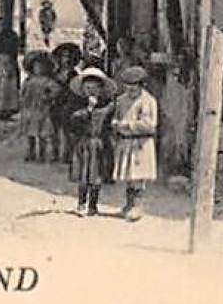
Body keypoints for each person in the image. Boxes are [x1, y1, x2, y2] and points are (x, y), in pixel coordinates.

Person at [111, 66, 159, 221]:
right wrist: (116, 125)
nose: (130, 90)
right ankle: (129, 204)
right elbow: (115, 117)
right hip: (125, 142)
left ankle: (138, 206)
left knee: (139, 177)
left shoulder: (148, 101)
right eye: (127, 86)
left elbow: (150, 124)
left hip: (141, 142)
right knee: (129, 176)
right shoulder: (121, 100)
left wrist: (128, 125)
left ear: (142, 85)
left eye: (134, 86)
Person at [67, 66, 116, 217]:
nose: (91, 92)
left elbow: (110, 123)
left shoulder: (107, 106)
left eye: (95, 88)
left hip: (99, 143)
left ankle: (93, 205)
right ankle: (81, 203)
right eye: (87, 88)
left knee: (96, 176)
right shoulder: (78, 106)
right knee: (83, 175)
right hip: (83, 143)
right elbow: (72, 122)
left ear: (101, 90)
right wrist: (87, 110)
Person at [17, 51, 63, 162]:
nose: (38, 69)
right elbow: (23, 92)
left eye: (41, 67)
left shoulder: (47, 81)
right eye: (36, 66)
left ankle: (42, 154)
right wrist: (22, 101)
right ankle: (31, 152)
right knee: (30, 133)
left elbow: (57, 90)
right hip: (30, 109)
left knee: (42, 133)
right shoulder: (29, 81)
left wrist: (48, 97)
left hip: (43, 110)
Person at [49, 43, 84, 160]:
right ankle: (55, 152)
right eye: (63, 56)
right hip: (55, 103)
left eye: (68, 56)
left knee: (67, 130)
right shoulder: (54, 73)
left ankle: (67, 153)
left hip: (68, 104)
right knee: (54, 130)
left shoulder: (74, 74)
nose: (66, 59)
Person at [0, 21, 23, 118]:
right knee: (1, 85)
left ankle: (6, 108)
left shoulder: (11, 36)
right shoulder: (1, 37)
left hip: (7, 62)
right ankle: (2, 108)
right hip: (2, 62)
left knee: (6, 85)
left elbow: (15, 51)